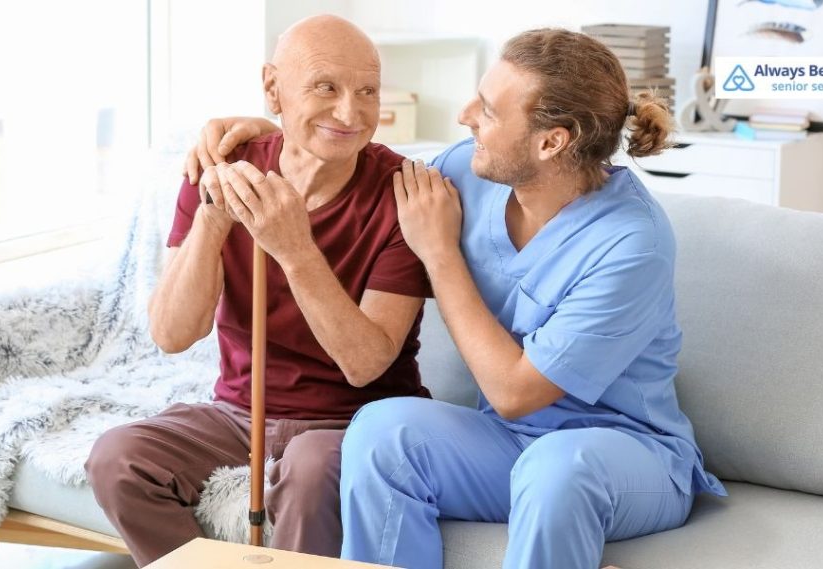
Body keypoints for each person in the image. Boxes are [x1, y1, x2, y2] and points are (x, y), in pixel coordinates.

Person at [188, 27, 726, 569]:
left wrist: (441, 256)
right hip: (504, 441)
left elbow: (516, 392)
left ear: (551, 142)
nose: (466, 114)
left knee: (560, 468)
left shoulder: (633, 244)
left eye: (489, 110)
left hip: (627, 455)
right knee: (381, 432)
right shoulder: (471, 174)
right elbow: (366, 161)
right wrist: (269, 131)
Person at [84, 15, 433, 567]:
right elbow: (171, 333)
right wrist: (213, 220)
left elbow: (366, 364)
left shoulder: (405, 196)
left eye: (367, 91)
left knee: (313, 467)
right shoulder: (223, 166)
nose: (351, 112)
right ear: (273, 89)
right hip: (238, 413)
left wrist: (293, 248)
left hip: (357, 419)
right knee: (118, 457)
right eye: (326, 87)